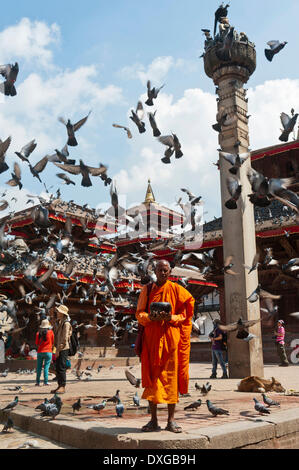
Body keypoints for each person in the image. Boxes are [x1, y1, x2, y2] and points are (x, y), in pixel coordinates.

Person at [136, 259, 195, 433]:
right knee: (152, 379)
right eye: (160, 270)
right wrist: (150, 318)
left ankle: (171, 421)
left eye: (166, 270)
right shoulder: (146, 290)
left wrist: (171, 318)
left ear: (170, 272)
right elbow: (139, 314)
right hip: (152, 341)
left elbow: (185, 314)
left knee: (172, 380)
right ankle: (153, 420)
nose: (163, 272)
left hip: (171, 342)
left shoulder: (177, 290)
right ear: (154, 271)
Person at [51, 305, 72, 394]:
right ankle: (59, 386)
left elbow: (64, 339)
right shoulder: (60, 322)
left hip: (63, 348)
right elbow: (57, 337)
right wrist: (54, 349)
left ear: (62, 313)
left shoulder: (66, 324)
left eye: (59, 311)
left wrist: (58, 350)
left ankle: (62, 386)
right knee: (58, 367)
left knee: (62, 368)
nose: (57, 312)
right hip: (58, 348)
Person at [35, 319, 54, 386]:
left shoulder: (38, 333)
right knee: (46, 367)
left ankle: (37, 382)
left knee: (39, 367)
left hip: (40, 352)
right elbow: (53, 342)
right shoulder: (51, 332)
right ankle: (45, 382)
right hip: (48, 352)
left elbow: (37, 343)